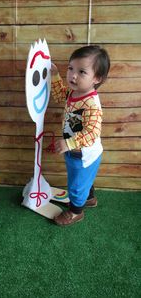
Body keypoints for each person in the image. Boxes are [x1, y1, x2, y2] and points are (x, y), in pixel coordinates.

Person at [51, 45, 110, 226]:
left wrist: (69, 143)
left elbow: (92, 133)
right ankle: (90, 198)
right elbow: (59, 95)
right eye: (70, 69)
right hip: (75, 149)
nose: (73, 75)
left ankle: (76, 212)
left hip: (83, 153)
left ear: (97, 78)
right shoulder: (73, 91)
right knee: (84, 179)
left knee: (76, 183)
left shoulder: (91, 104)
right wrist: (54, 75)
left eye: (81, 71)